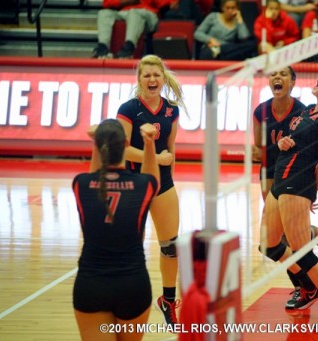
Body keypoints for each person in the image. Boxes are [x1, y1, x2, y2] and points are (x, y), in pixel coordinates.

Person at [261, 69, 318, 327]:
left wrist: (309, 191)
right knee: (269, 245)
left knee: (301, 251)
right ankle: (308, 287)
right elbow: (294, 141)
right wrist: (283, 144)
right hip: (280, 182)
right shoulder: (308, 110)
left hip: (297, 185)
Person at [72, 119, 160, 340]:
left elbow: (96, 179)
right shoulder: (143, 185)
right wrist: (149, 143)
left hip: (90, 284)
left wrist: (96, 142)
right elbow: (153, 180)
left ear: (98, 147)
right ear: (127, 144)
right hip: (132, 284)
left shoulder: (80, 183)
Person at [117, 54, 186, 326]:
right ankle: (125, 299)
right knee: (130, 246)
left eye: (156, 74)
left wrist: (167, 171)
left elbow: (171, 148)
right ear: (139, 80)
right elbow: (122, 149)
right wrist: (155, 159)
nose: (152, 79)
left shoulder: (171, 110)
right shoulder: (128, 108)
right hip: (133, 183)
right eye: (146, 75)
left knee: (171, 246)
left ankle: (168, 301)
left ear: (163, 77)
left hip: (163, 185)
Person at [92, 0, 167, 59]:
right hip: (125, 12)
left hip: (148, 14)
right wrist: (124, 2)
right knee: (104, 13)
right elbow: (107, 3)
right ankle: (103, 47)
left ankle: (129, 47)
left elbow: (168, 3)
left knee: (134, 13)